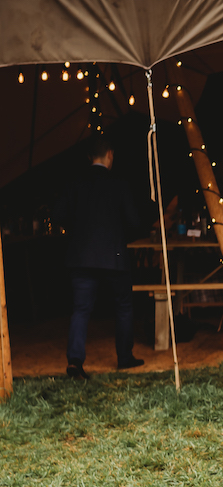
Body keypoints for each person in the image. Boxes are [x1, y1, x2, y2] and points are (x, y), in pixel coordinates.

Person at [53, 136, 146, 379]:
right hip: (114, 255)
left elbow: (59, 215)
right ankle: (124, 358)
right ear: (110, 155)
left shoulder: (75, 183)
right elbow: (134, 221)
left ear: (89, 157)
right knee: (124, 307)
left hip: (81, 255)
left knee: (81, 309)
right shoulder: (119, 183)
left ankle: (75, 361)